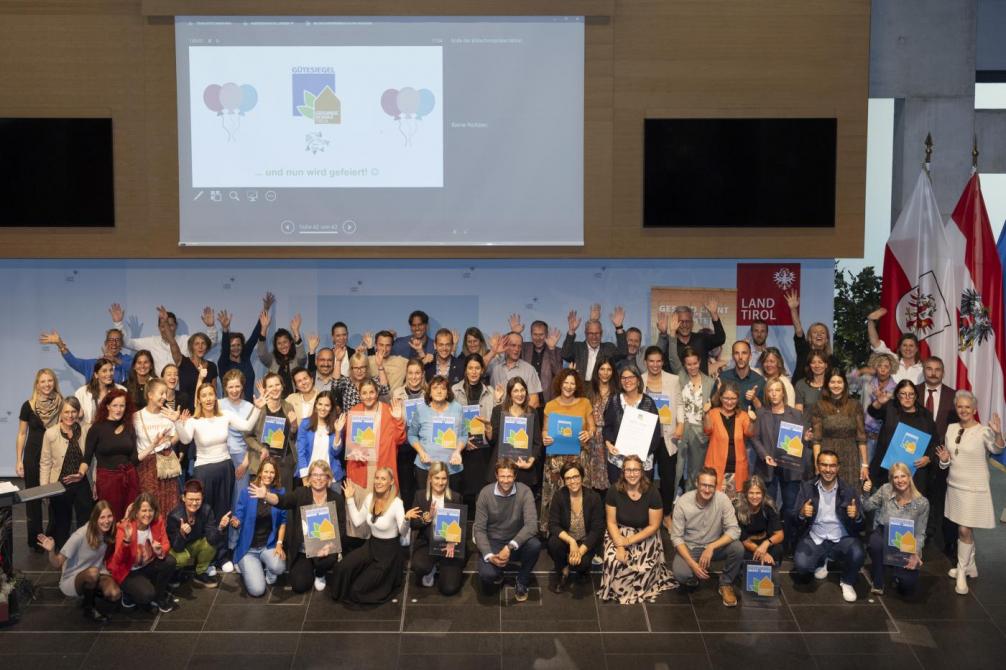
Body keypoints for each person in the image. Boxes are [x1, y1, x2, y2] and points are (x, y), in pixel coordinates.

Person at [935, 391, 1004, 595]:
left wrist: (998, 433)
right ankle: (971, 564)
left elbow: (998, 450)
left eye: (967, 407)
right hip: (955, 486)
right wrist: (945, 458)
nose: (963, 410)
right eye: (960, 406)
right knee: (962, 529)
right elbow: (947, 462)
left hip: (975, 489)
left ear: (974, 410)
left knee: (964, 530)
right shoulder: (951, 428)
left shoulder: (983, 431)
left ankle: (962, 571)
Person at [249, 459, 348, 593]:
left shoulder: (336, 499)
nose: (318, 478)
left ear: (328, 478)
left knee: (326, 561)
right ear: (309, 478)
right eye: (314, 474)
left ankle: (320, 573)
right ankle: (310, 568)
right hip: (304, 550)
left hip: (326, 547)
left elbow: (341, 527)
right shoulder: (301, 493)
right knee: (299, 585)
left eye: (322, 475)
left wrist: (330, 546)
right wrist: (266, 495)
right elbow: (283, 501)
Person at [174, 380, 263, 521]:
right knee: (204, 511)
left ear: (216, 397)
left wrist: (257, 408)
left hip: (225, 467)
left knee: (224, 512)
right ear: (199, 400)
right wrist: (177, 423)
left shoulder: (225, 415)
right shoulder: (194, 421)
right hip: (203, 470)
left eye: (211, 394)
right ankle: (205, 541)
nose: (208, 398)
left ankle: (222, 543)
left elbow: (247, 426)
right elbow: (185, 440)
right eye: (204, 395)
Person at [599, 455, 675, 603]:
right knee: (614, 560)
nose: (632, 474)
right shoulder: (614, 491)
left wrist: (628, 541)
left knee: (642, 565)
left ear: (642, 472)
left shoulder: (653, 493)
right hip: (619, 531)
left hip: (645, 533)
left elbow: (654, 526)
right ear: (623, 472)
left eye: (635, 470)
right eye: (628, 470)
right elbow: (611, 522)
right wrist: (620, 545)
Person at [792, 450, 866, 602]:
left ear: (838, 468)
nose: (828, 469)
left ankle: (847, 581)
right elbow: (794, 519)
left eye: (832, 466)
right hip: (815, 538)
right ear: (818, 466)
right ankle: (822, 559)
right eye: (824, 465)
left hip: (840, 539)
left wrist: (856, 516)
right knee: (802, 567)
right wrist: (801, 513)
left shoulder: (849, 490)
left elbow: (863, 524)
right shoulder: (807, 488)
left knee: (858, 552)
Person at [331, 470, 411, 606]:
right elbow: (357, 521)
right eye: (377, 478)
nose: (379, 482)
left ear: (391, 482)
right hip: (371, 546)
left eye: (383, 479)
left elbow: (403, 532)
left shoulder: (397, 503)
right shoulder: (370, 498)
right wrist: (349, 499)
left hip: (388, 552)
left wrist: (407, 520)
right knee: (342, 567)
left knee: (357, 590)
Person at [36, 501, 121, 623]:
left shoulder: (108, 532)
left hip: (97, 572)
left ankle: (90, 593)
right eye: (102, 517)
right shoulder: (80, 535)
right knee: (93, 574)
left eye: (109, 516)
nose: (106, 521)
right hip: (73, 578)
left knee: (115, 594)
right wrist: (51, 551)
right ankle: (89, 609)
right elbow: (57, 563)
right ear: (95, 518)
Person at [669, 467, 743, 606]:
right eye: (704, 485)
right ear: (697, 484)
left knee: (737, 548)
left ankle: (726, 584)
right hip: (690, 546)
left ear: (716, 486)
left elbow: (734, 530)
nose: (707, 490)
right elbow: (676, 538)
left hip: (714, 547)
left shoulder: (722, 499)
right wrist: (692, 564)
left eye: (711, 486)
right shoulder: (683, 502)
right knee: (681, 574)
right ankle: (693, 576)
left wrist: (712, 546)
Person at [750, 379, 809, 553]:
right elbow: (754, 438)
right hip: (767, 468)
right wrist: (764, 455)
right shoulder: (761, 413)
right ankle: (769, 544)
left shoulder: (796, 414)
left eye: (777, 390)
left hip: (790, 468)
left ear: (784, 393)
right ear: (767, 394)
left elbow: (801, 439)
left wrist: (806, 438)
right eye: (771, 390)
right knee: (768, 507)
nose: (774, 393)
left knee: (791, 509)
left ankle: (790, 544)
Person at [474, 458, 540, 601]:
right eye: (502, 476)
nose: (505, 480)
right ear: (496, 476)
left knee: (535, 545)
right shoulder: (485, 493)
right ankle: (497, 572)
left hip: (516, 542)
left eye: (509, 476)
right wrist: (490, 555)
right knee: (488, 576)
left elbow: (532, 525)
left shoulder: (525, 491)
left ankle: (522, 580)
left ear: (515, 476)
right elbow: (479, 529)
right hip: (493, 542)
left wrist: (509, 547)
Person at [861, 463, 929, 596]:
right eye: (895, 477)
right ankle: (878, 580)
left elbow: (921, 533)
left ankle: (895, 571)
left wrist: (916, 552)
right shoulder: (886, 490)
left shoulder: (922, 502)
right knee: (875, 543)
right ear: (891, 479)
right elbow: (867, 507)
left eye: (903, 476)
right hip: (884, 533)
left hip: (906, 541)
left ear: (910, 477)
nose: (900, 480)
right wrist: (865, 491)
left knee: (907, 586)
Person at [916, 356, 959, 558]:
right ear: (924, 370)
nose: (933, 372)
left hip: (943, 454)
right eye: (929, 368)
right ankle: (916, 538)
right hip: (916, 453)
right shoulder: (913, 392)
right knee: (917, 495)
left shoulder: (954, 395)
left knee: (940, 497)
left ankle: (941, 540)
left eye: (938, 369)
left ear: (943, 372)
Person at [17, 368, 64, 551]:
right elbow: (21, 434)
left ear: (54, 383)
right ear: (37, 384)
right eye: (43, 381)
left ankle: (52, 536)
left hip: (54, 456)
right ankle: (36, 540)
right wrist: (18, 460)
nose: (46, 384)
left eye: (50, 380)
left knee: (55, 497)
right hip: (32, 455)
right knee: (33, 500)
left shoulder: (61, 404)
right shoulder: (28, 406)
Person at [541, 370, 594, 529]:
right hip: (556, 459)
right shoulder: (550, 406)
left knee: (579, 495)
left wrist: (589, 433)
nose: (569, 386)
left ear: (576, 385)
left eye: (572, 383)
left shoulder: (585, 403)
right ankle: (553, 530)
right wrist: (545, 437)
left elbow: (592, 427)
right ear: (560, 384)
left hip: (579, 458)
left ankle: (581, 530)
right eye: (566, 382)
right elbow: (544, 430)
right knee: (556, 497)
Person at [107, 492, 177, 613]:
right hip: (128, 571)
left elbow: (166, 544)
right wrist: (126, 542)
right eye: (143, 510)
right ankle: (128, 593)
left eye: (150, 510)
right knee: (147, 595)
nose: (147, 514)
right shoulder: (125, 528)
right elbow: (119, 560)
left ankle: (159, 597)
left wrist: (160, 551)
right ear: (137, 512)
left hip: (146, 564)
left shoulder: (157, 521)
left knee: (170, 561)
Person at [39, 397, 92, 550]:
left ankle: (85, 553)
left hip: (82, 482)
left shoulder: (86, 429)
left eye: (73, 411)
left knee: (85, 520)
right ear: (61, 413)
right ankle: (62, 557)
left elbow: (91, 458)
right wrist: (45, 489)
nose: (70, 415)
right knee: (62, 523)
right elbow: (45, 462)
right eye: (66, 412)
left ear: (78, 412)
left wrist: (93, 481)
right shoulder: (50, 433)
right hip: (60, 484)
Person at [866, 379, 936, 492]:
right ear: (897, 395)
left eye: (911, 394)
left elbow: (934, 442)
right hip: (886, 473)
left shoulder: (925, 415)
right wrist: (879, 402)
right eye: (903, 394)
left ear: (916, 396)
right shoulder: (890, 408)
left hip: (914, 475)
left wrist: (928, 458)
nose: (907, 397)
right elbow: (873, 412)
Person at [231, 458, 287, 597]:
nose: (269, 475)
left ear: (276, 474)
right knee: (257, 591)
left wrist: (279, 544)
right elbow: (238, 517)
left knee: (279, 567)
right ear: (260, 472)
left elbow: (283, 522)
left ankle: (267, 567)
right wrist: (235, 522)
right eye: (266, 471)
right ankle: (246, 565)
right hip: (249, 549)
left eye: (272, 472)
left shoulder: (279, 493)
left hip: (268, 546)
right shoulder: (247, 492)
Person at [112, 303, 219, 375]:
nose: (166, 329)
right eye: (163, 325)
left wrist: (210, 327)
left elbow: (209, 343)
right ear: (158, 327)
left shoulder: (186, 340)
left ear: (176, 326)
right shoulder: (151, 342)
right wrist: (118, 323)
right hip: (159, 392)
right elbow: (126, 342)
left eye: (170, 325)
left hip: (182, 392)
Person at [408, 461, 466, 596]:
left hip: (449, 545)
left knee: (449, 588)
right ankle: (431, 568)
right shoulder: (420, 496)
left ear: (448, 479)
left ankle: (443, 567)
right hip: (427, 544)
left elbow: (461, 525)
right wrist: (426, 519)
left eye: (444, 478)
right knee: (419, 566)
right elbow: (413, 524)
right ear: (430, 478)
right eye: (437, 478)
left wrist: (453, 542)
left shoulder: (456, 497)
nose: (440, 482)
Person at [82, 389, 139, 522]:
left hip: (129, 479)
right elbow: (87, 458)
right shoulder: (96, 428)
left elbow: (134, 458)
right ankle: (110, 543)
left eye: (122, 406)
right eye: (115, 405)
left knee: (130, 518)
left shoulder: (129, 427)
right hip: (107, 481)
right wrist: (81, 472)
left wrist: (153, 446)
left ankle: (125, 543)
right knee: (110, 518)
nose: (118, 409)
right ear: (107, 406)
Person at [547, 462, 604, 593]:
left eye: (576, 477)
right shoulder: (559, 496)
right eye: (568, 478)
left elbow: (597, 529)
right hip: (567, 540)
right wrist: (571, 541)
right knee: (553, 544)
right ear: (563, 481)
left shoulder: (593, 497)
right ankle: (562, 569)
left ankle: (582, 569)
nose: (573, 481)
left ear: (582, 477)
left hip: (586, 542)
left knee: (582, 564)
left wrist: (580, 551)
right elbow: (553, 525)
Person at [344, 379, 407, 496]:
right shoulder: (354, 411)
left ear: (377, 393)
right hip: (361, 469)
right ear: (359, 395)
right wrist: (355, 451)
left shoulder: (389, 411)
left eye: (371, 392)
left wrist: (398, 420)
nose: (368, 396)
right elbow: (349, 442)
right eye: (364, 393)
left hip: (383, 466)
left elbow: (399, 440)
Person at [602, 365, 662, 484]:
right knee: (618, 496)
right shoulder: (614, 401)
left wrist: (640, 453)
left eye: (631, 377)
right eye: (623, 378)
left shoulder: (648, 403)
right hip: (617, 461)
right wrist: (608, 443)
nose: (627, 381)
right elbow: (607, 427)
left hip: (641, 462)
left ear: (638, 380)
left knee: (640, 497)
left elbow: (655, 435)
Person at [811, 369, 868, 493]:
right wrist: (817, 464)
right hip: (827, 458)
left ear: (845, 384)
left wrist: (864, 465)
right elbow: (816, 440)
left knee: (850, 496)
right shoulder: (819, 406)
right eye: (832, 382)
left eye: (839, 382)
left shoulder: (855, 405)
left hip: (851, 458)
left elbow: (862, 438)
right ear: (827, 384)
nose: (836, 385)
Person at [642, 345, 681, 523]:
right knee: (644, 478)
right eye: (651, 361)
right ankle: (644, 514)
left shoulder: (673, 380)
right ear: (645, 362)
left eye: (658, 361)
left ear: (663, 362)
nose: (655, 365)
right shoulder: (639, 380)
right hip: (646, 437)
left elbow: (680, 404)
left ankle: (666, 515)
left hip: (667, 436)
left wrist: (681, 425)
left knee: (667, 478)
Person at [133, 378, 181, 518]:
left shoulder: (168, 414)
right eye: (161, 393)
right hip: (146, 467)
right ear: (150, 395)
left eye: (166, 393)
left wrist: (177, 424)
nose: (165, 397)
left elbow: (177, 438)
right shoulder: (136, 417)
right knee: (149, 506)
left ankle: (167, 538)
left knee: (170, 505)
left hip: (166, 466)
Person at [452, 353, 495, 509]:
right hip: (461, 449)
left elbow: (494, 423)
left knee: (481, 493)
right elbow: (449, 420)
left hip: (483, 451)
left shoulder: (491, 392)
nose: (474, 371)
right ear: (465, 370)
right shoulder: (454, 391)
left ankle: (478, 530)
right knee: (461, 492)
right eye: (470, 368)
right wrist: (463, 441)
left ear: (482, 370)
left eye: (477, 368)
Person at [409, 375, 466, 493]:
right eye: (435, 388)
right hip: (426, 468)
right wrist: (421, 452)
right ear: (429, 392)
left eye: (443, 388)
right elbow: (412, 435)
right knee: (426, 505)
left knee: (451, 506)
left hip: (452, 467)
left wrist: (457, 451)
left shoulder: (457, 408)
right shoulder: (421, 410)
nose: (439, 391)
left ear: (448, 392)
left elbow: (463, 435)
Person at [166, 479, 226, 588]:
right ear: (183, 498)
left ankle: (200, 573)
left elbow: (212, 539)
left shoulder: (206, 510)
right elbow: (176, 547)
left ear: (202, 498)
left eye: (198, 499)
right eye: (191, 499)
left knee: (210, 545)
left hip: (195, 544)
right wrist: (182, 533)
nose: (194, 503)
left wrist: (220, 527)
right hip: (178, 549)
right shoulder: (174, 516)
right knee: (181, 558)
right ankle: (174, 574)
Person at [485, 376, 542, 491]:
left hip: (523, 468)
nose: (520, 394)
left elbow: (537, 443)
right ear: (510, 393)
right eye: (516, 391)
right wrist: (488, 428)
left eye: (522, 390)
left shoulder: (532, 412)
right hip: (502, 467)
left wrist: (530, 462)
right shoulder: (498, 411)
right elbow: (492, 440)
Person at [245, 372, 298, 493]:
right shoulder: (258, 408)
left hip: (284, 462)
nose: (275, 388)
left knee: (284, 501)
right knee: (262, 503)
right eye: (270, 386)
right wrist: (261, 449)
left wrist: (294, 425)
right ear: (265, 389)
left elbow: (292, 435)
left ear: (282, 386)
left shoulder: (288, 406)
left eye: (277, 384)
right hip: (262, 461)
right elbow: (247, 436)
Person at [703, 381, 755, 497]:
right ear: (720, 397)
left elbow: (750, 433)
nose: (729, 402)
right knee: (715, 508)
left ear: (737, 399)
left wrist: (752, 421)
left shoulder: (743, 415)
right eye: (726, 398)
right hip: (715, 469)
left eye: (733, 398)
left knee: (734, 507)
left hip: (737, 471)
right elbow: (707, 430)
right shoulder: (713, 413)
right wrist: (706, 414)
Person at [674, 347, 715, 492]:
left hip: (700, 432)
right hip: (682, 429)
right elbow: (673, 358)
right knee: (677, 470)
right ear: (684, 365)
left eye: (695, 363)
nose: (692, 367)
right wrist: (672, 336)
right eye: (689, 364)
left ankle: (692, 502)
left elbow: (714, 407)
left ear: (700, 362)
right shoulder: (680, 377)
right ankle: (673, 503)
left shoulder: (710, 382)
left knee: (695, 471)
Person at [39, 327, 132, 384]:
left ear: (122, 343)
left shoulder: (127, 360)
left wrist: (115, 360)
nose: (114, 343)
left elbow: (135, 369)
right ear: (106, 343)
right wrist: (60, 344)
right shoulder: (93, 364)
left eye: (117, 340)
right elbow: (73, 361)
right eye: (111, 340)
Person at [560, 304, 628, 382]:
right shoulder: (578, 347)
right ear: (585, 334)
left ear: (601, 333)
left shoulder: (608, 348)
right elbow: (565, 354)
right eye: (591, 333)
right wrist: (571, 331)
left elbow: (623, 353)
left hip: (601, 390)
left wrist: (619, 327)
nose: (594, 337)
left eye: (597, 333)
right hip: (581, 390)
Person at [783, 290, 840, 383]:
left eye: (822, 333)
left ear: (827, 339)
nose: (819, 334)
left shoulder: (832, 360)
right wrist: (793, 309)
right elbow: (798, 330)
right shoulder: (803, 350)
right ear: (809, 338)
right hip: (799, 395)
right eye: (815, 332)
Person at [852, 351, 898, 461]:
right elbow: (850, 380)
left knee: (880, 474)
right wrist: (863, 370)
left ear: (891, 369)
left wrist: (882, 401)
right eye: (879, 366)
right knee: (863, 471)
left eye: (886, 366)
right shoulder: (867, 382)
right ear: (874, 367)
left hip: (885, 438)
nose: (883, 369)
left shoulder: (896, 389)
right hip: (865, 435)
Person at [296, 391, 345, 486]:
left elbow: (336, 453)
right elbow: (301, 452)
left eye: (327, 405)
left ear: (331, 408)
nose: (323, 408)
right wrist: (305, 478)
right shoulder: (305, 424)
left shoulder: (337, 425)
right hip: (310, 477)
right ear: (315, 405)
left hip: (332, 477)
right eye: (320, 404)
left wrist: (338, 432)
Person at [216, 307, 265, 401]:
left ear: (242, 346)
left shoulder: (245, 357)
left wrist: (266, 308)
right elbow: (225, 349)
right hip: (230, 407)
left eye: (238, 345)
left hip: (248, 406)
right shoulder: (224, 363)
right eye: (232, 345)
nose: (236, 348)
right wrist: (225, 330)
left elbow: (254, 337)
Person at [734, 475, 784, 566]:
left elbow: (780, 535)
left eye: (758, 493)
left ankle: (769, 573)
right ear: (746, 494)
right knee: (740, 551)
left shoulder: (769, 506)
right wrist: (762, 553)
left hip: (765, 543)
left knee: (778, 549)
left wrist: (766, 544)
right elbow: (745, 541)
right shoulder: (739, 509)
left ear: (763, 494)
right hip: (748, 546)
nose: (754, 496)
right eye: (751, 493)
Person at [666, 300, 726, 376]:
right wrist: (665, 333)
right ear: (674, 323)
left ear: (692, 323)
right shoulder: (670, 344)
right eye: (681, 322)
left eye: (688, 321)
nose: (685, 325)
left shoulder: (701, 339)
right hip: (679, 386)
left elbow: (720, 338)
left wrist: (714, 314)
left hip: (702, 386)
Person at [866, 308, 924, 384]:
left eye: (911, 346)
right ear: (899, 348)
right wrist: (870, 321)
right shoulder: (892, 359)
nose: (907, 348)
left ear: (916, 349)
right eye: (904, 345)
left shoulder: (923, 368)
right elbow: (875, 343)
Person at [487, 333, 544, 408]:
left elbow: (534, 402)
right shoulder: (495, 367)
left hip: (520, 418)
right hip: (498, 415)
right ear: (505, 345)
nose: (517, 349)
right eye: (513, 345)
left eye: (519, 346)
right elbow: (474, 369)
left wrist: (516, 417)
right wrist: (493, 352)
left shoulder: (529, 369)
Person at [586, 357, 617, 494]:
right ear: (597, 371)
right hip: (590, 437)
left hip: (609, 438)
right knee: (590, 475)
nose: (605, 373)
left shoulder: (617, 392)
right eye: (602, 369)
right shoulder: (588, 390)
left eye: (609, 369)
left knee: (610, 475)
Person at [257, 311, 306, 396]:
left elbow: (302, 357)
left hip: (294, 400)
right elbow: (261, 354)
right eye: (279, 343)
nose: (283, 346)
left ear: (291, 342)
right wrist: (264, 328)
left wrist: (296, 332)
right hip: (275, 399)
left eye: (285, 342)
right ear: (275, 345)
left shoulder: (296, 357)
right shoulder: (272, 358)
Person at [515, 316, 563, 402]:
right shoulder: (523, 347)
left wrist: (552, 349)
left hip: (547, 400)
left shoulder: (557, 351)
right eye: (535, 334)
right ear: (531, 334)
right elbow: (510, 357)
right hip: (525, 399)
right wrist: (515, 333)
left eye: (541, 335)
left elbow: (559, 374)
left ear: (546, 334)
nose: (538, 338)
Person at [715, 341, 766, 413]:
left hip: (750, 423)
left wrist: (754, 399)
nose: (740, 357)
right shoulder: (723, 377)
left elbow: (765, 412)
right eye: (736, 353)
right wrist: (718, 393)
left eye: (744, 353)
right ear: (733, 356)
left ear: (750, 356)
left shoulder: (760, 381)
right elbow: (713, 405)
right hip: (725, 423)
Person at [74, 357, 125, 424]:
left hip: (114, 431)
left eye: (111, 370)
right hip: (89, 432)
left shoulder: (122, 390)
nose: (109, 374)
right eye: (104, 371)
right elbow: (76, 418)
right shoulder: (81, 393)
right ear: (96, 374)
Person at [794, 351, 828, 422]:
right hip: (807, 430)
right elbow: (798, 414)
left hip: (828, 429)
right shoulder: (801, 384)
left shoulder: (833, 385)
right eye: (813, 362)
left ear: (826, 365)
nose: (817, 365)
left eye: (820, 362)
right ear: (809, 365)